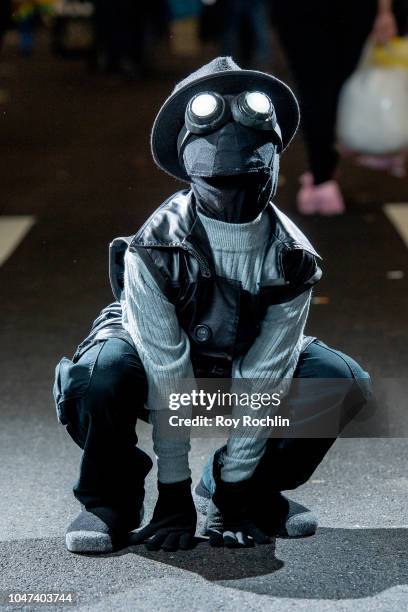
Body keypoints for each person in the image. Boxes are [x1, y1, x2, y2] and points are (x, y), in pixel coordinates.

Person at [54, 56, 371, 554]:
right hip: (151, 362)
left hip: (241, 358)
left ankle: (248, 489)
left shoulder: (294, 258)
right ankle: (110, 501)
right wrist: (172, 493)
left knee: (339, 380)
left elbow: (263, 375)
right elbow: (166, 370)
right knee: (99, 377)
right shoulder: (154, 248)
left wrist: (234, 490)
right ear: (186, 159)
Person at [272, 0, 403, 215]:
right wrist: (385, 10)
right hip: (352, 9)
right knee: (336, 88)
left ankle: (322, 175)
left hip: (299, 10)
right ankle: (327, 168)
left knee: (313, 88)